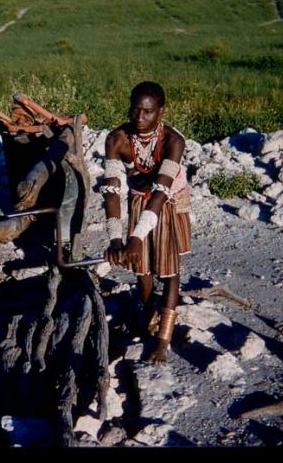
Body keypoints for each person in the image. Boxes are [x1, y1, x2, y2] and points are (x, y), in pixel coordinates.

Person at [102, 81, 191, 364]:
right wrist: (117, 238)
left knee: (168, 268)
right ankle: (148, 309)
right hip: (139, 198)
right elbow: (113, 190)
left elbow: (162, 191)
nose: (139, 118)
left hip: (168, 201)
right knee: (140, 265)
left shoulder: (173, 141)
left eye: (148, 112)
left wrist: (137, 235)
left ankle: (163, 339)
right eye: (135, 110)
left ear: (161, 112)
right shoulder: (117, 139)